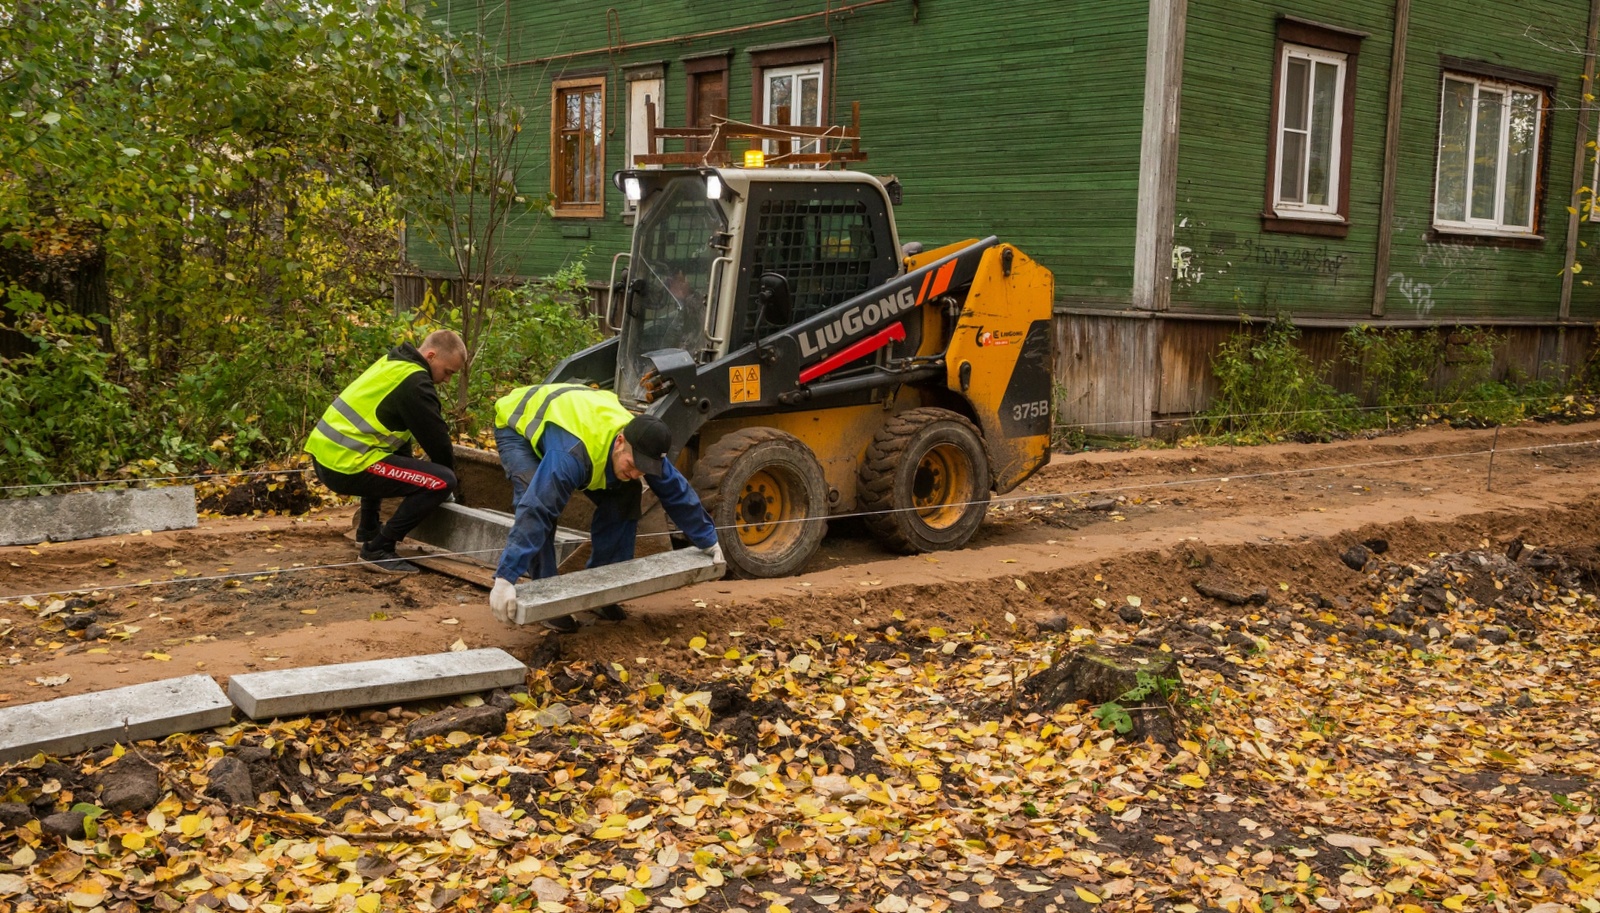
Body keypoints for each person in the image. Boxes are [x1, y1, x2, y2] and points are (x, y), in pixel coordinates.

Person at [488, 383, 721, 633]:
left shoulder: (644, 445)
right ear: (620, 441)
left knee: (627, 492)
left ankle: (600, 587)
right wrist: (505, 577)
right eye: (632, 464)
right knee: (535, 493)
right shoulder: (571, 455)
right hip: (519, 425)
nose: (635, 472)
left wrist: (708, 540)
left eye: (643, 470)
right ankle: (545, 597)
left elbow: (676, 491)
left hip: (579, 420)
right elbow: (537, 509)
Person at [304, 330, 467, 574]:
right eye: (448, 372)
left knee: (394, 456)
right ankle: (378, 549)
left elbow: (395, 436)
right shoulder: (415, 382)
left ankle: (368, 530)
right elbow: (438, 442)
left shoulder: (394, 362)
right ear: (431, 356)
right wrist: (448, 488)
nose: (447, 380)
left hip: (328, 455)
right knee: (442, 481)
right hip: (346, 463)